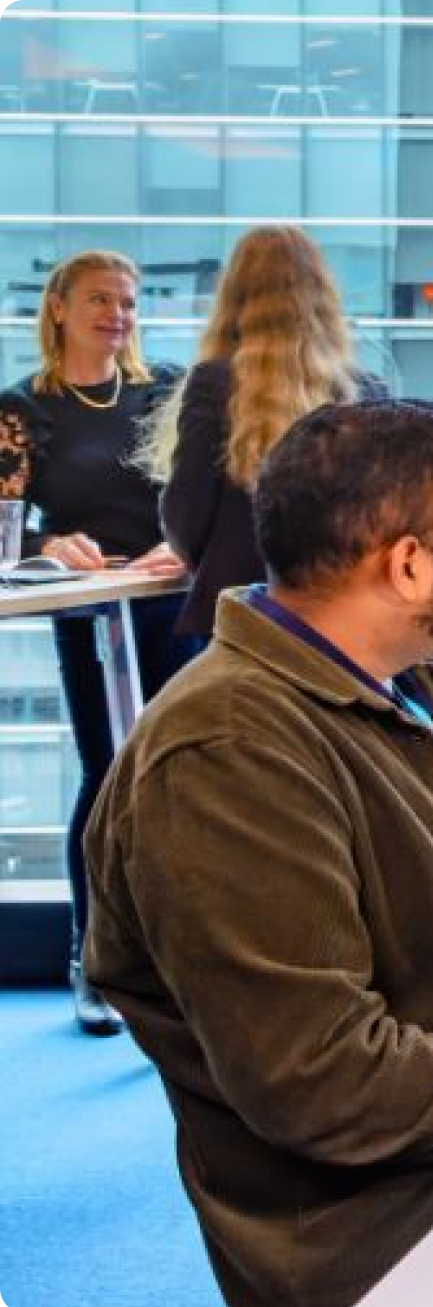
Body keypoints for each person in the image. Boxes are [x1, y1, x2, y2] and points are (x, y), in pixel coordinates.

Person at [84, 400, 433, 1307]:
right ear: (408, 562)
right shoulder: (228, 754)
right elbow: (323, 1084)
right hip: (403, 1228)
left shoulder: (406, 687)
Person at [0, 250, 200, 1035]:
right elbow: (4, 535)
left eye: (127, 300)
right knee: (108, 772)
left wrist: (186, 544)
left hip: (175, 600)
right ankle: (94, 958)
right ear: (57, 308)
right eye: (98, 299)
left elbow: (204, 494)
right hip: (89, 613)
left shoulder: (164, 392)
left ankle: (183, 956)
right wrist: (49, 547)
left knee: (183, 776)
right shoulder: (23, 411)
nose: (116, 313)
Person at [150, 224, 386, 641]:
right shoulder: (364, 393)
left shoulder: (213, 383)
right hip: (343, 613)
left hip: (239, 611)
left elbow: (186, 514)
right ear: (321, 295)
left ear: (233, 296)